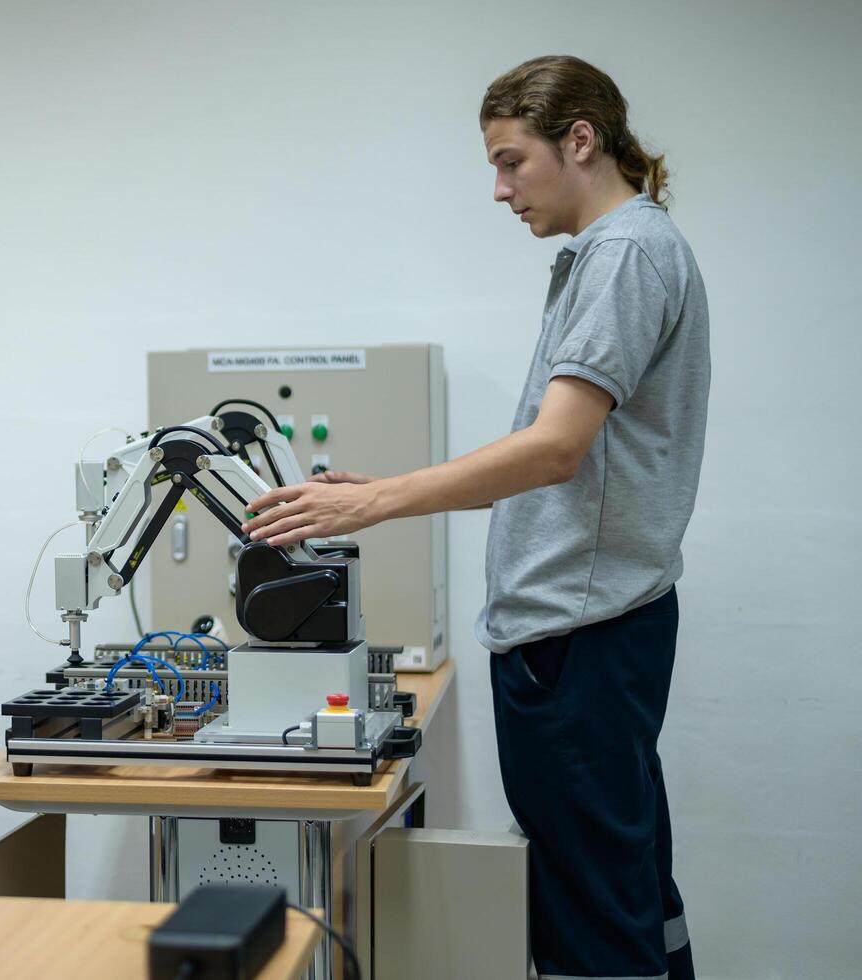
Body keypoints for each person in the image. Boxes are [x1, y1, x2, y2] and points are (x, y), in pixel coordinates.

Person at [242, 56, 707, 980]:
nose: (498, 190)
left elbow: (553, 448)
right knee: (627, 887)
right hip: (597, 626)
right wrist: (386, 484)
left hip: (577, 634)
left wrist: (375, 501)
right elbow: (557, 448)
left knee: (588, 914)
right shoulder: (621, 253)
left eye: (510, 162)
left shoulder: (622, 255)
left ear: (580, 140)